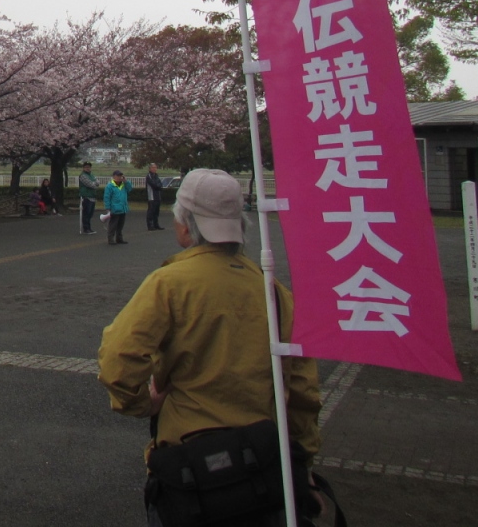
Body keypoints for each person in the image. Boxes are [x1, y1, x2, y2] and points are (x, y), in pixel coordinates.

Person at [97, 168, 322, 527]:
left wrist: (141, 404)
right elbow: (302, 389)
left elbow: (118, 358)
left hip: (189, 466)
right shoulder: (275, 293)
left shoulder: (169, 284)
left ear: (186, 227)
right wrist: (302, 461)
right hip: (263, 465)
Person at [104, 169, 130, 245]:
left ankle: (119, 238)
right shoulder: (110, 186)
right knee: (113, 225)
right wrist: (108, 208)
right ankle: (110, 239)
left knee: (120, 225)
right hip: (114, 208)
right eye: (118, 176)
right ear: (114, 176)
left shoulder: (124, 185)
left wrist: (126, 181)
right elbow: (107, 197)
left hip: (123, 208)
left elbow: (130, 189)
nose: (119, 177)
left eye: (120, 176)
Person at [78, 162, 100, 234]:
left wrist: (94, 183)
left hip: (92, 196)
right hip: (86, 196)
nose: (88, 168)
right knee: (86, 213)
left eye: (89, 167)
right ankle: (86, 228)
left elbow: (98, 182)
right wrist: (94, 184)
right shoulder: (83, 176)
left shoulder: (92, 175)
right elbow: (91, 185)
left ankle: (89, 228)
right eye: (86, 167)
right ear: (83, 168)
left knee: (90, 213)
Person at [144, 163, 165, 231]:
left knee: (156, 211)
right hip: (152, 197)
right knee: (151, 211)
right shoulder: (149, 176)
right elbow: (154, 184)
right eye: (153, 167)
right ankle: (150, 225)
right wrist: (158, 186)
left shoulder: (156, 176)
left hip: (157, 196)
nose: (154, 169)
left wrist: (159, 186)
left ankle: (156, 225)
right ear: (150, 168)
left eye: (155, 167)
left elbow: (160, 184)